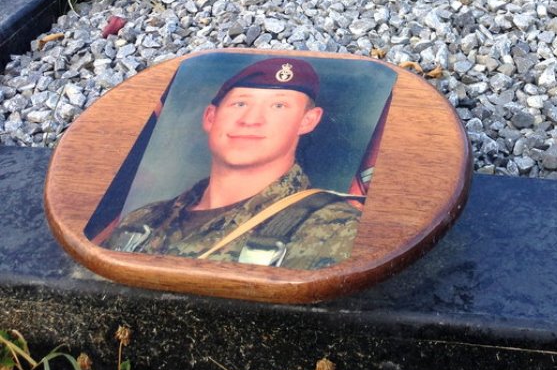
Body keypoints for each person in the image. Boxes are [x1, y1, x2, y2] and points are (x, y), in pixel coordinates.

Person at [103, 56, 363, 269]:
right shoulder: (142, 220)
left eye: (279, 106)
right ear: (210, 117)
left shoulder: (334, 228)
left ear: (308, 121)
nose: (251, 120)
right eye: (240, 103)